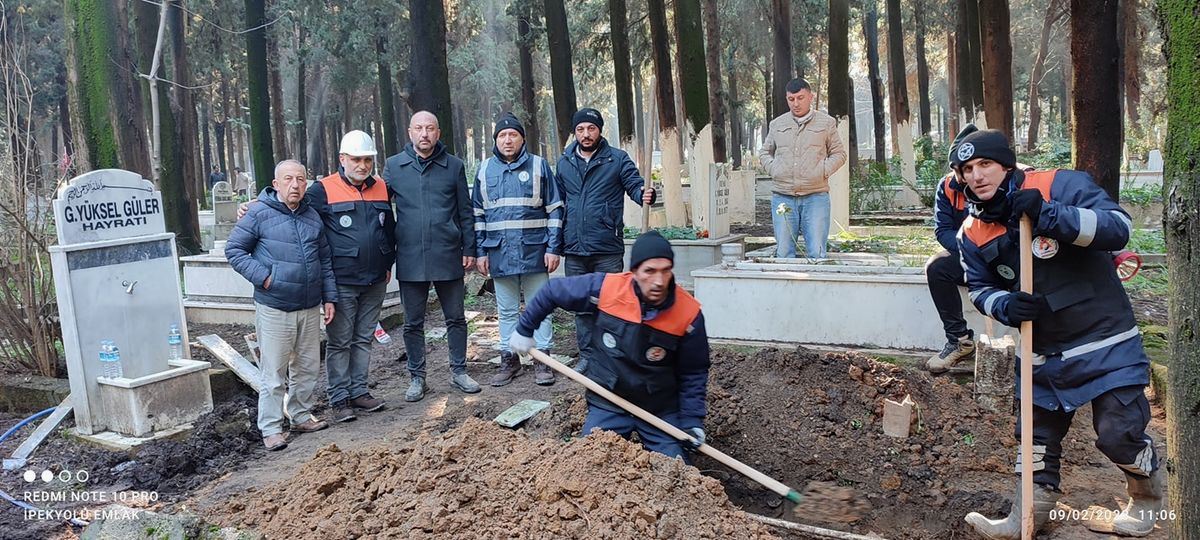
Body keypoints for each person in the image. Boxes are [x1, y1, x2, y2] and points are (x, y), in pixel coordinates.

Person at [953, 130, 1162, 538]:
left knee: (1120, 433)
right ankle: (1030, 514)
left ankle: (1146, 498)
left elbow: (1117, 228)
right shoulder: (971, 233)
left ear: (1006, 166)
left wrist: (1049, 214)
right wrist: (1005, 305)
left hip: (1105, 341)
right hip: (1041, 352)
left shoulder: (1059, 184)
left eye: (985, 165)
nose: (976, 176)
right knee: (1033, 441)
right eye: (967, 169)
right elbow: (979, 288)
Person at [509, 231, 709, 461]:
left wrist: (692, 421)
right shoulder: (607, 289)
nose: (659, 281)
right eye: (650, 271)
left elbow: (694, 371)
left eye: (665, 270)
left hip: (659, 409)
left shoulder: (688, 315)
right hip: (609, 400)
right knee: (588, 466)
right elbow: (552, 292)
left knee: (676, 473)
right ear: (634, 272)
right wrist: (525, 329)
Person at [225, 159, 337, 451]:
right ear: (276, 184)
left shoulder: (312, 217)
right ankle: (272, 428)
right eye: (288, 179)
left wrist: (330, 297)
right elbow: (235, 250)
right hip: (275, 305)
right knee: (273, 373)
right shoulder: (258, 213)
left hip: (310, 306)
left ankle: (300, 415)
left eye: (301, 179)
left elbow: (324, 260)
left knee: (308, 367)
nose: (295, 185)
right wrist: (265, 278)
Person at [383, 110, 480, 402]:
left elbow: (465, 211)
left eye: (430, 129)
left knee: (456, 318)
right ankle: (417, 377)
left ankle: (459, 371)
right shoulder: (393, 167)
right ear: (410, 132)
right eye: (418, 129)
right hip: (410, 256)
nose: (424, 134)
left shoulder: (454, 166)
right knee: (412, 322)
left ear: (438, 133)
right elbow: (376, 207)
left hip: (448, 253)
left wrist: (470, 248)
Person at [555, 107, 654, 373]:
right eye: (580, 129)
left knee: (611, 304)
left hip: (606, 247)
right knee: (582, 306)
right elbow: (558, 203)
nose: (586, 134)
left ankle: (611, 354)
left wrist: (644, 193)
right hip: (574, 249)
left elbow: (634, 185)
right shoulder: (564, 162)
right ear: (575, 132)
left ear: (599, 130)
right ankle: (587, 355)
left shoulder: (617, 160)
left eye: (591, 128)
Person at [472, 112, 564, 387]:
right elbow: (477, 214)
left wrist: (553, 248)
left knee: (541, 307)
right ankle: (509, 360)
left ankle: (543, 362)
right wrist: (480, 252)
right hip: (499, 253)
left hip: (535, 252)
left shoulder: (539, 166)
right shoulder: (485, 169)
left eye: (513, 134)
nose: (507, 139)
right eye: (502, 135)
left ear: (522, 138)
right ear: (495, 140)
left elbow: (555, 209)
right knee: (507, 310)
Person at [309, 130, 395, 423]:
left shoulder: (381, 187)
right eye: (356, 159)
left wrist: (388, 261)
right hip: (342, 280)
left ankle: (359, 392)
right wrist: (256, 203)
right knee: (340, 341)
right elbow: (290, 206)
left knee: (363, 339)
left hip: (375, 279)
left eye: (367, 160)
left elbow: (389, 229)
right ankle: (339, 398)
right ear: (342, 159)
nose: (362, 165)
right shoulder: (323, 190)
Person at [758, 77, 847, 259]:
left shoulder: (826, 123)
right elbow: (764, 153)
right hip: (783, 196)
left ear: (810, 97)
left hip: (816, 197)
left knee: (817, 252)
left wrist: (822, 171)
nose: (796, 103)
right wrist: (775, 169)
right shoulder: (777, 124)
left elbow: (839, 154)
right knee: (783, 253)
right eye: (791, 99)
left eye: (800, 98)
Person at [924, 125, 978, 373]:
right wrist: (968, 250)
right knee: (937, 268)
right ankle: (959, 340)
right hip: (967, 255)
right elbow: (942, 229)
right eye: (956, 169)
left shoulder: (1007, 183)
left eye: (965, 169)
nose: (960, 176)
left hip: (1006, 258)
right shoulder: (946, 187)